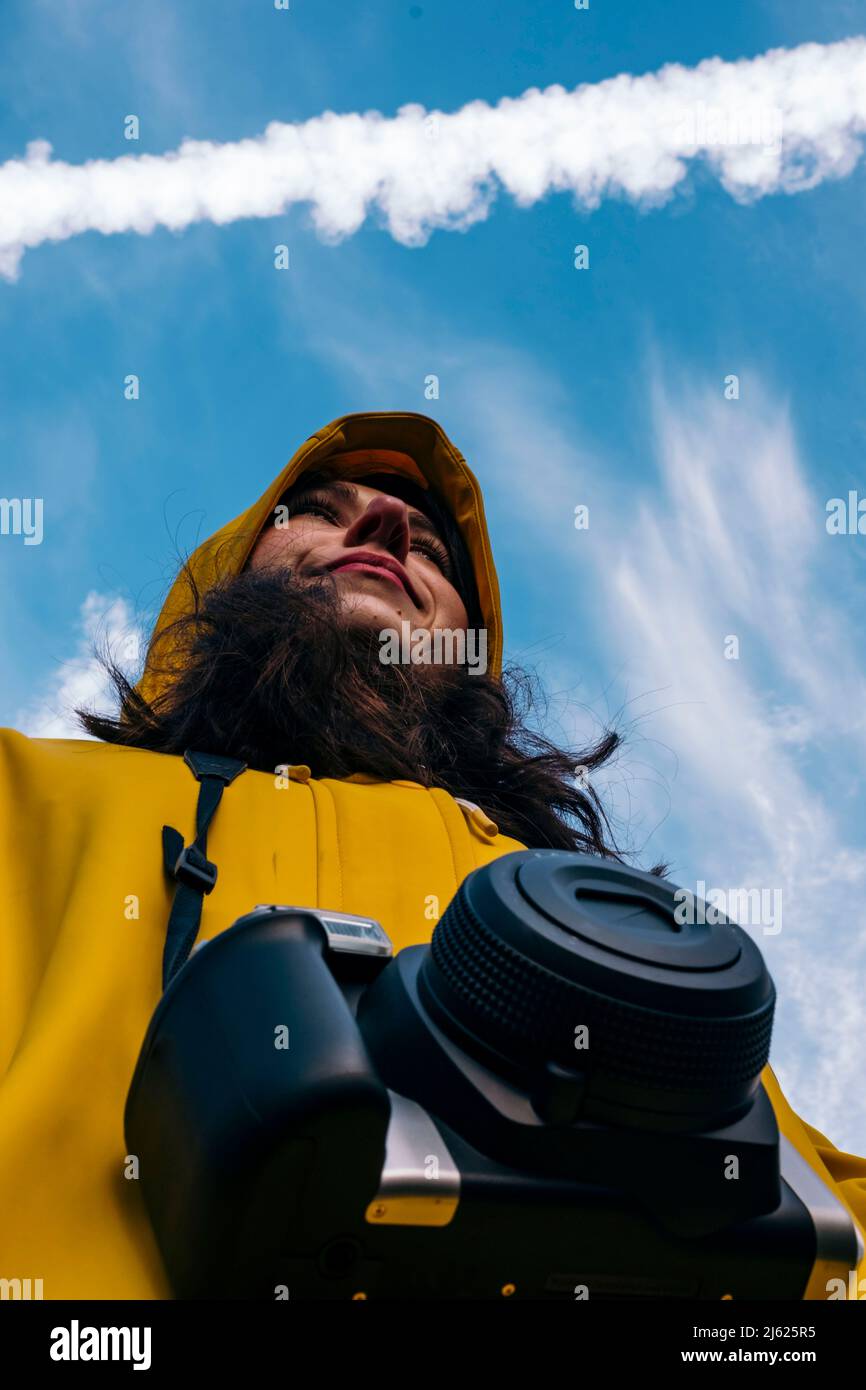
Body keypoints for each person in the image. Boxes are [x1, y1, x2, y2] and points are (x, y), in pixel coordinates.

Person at [0, 409, 863, 1299]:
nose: (384, 529)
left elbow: (827, 1221)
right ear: (226, 576)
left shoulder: (596, 928)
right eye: (321, 512)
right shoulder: (24, 790)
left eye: (435, 556)